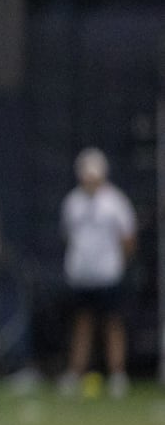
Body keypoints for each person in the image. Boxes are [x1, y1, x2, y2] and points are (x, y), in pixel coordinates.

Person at [58, 147, 137, 398]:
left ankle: (117, 375)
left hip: (108, 274)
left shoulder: (115, 202)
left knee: (113, 324)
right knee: (82, 324)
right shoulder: (72, 202)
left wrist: (118, 264)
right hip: (81, 275)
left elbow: (127, 238)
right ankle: (76, 372)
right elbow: (67, 235)